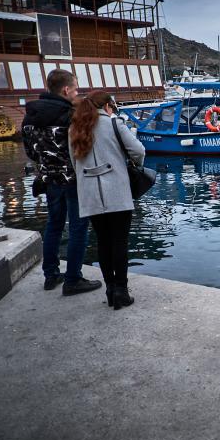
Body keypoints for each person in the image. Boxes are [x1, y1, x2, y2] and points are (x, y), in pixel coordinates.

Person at [21, 69, 102, 296]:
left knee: (54, 225)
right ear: (66, 90)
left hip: (49, 179)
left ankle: (51, 275)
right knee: (78, 227)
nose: (77, 93)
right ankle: (73, 279)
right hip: (73, 180)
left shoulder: (30, 116)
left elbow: (32, 152)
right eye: (75, 89)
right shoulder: (69, 115)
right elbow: (82, 148)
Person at [68, 91, 145, 310]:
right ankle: (121, 290)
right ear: (108, 106)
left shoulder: (74, 128)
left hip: (90, 194)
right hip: (117, 192)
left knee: (103, 241)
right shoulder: (113, 124)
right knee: (119, 241)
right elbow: (138, 151)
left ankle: (110, 289)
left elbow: (74, 163)